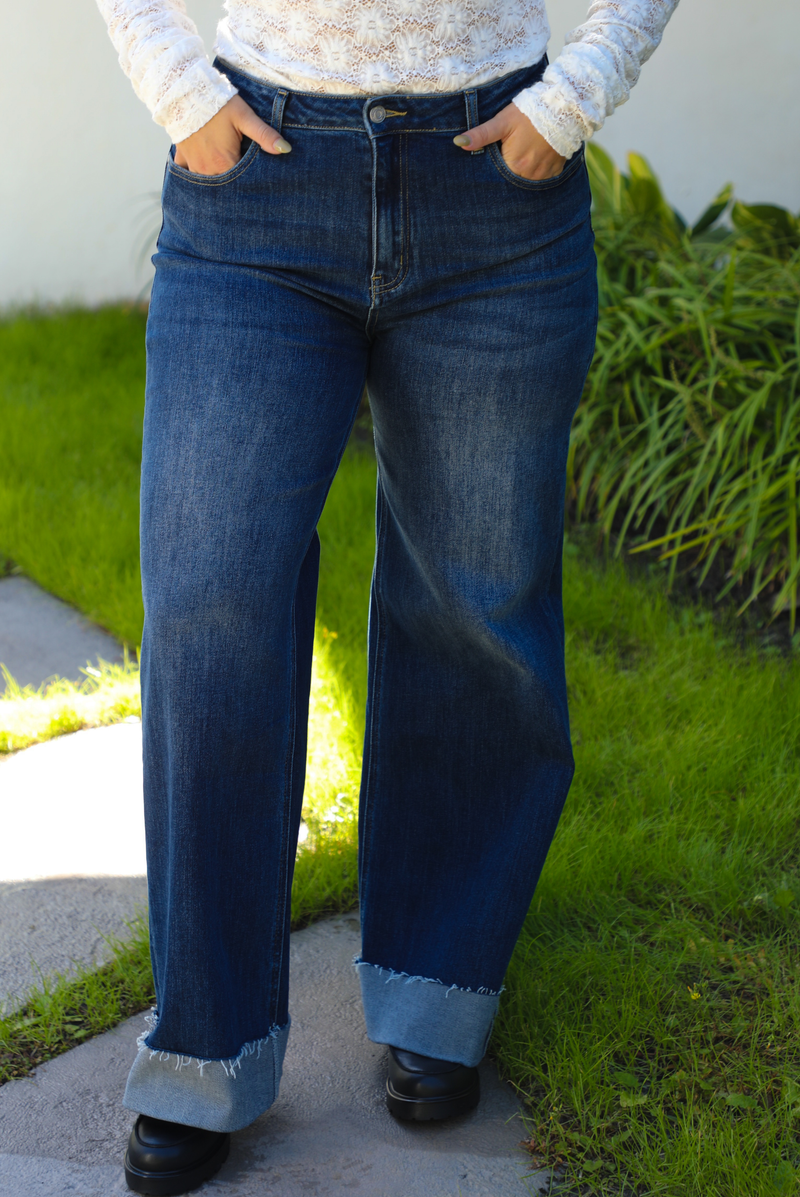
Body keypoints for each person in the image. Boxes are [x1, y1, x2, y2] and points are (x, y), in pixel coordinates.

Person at [96, 0, 679, 1191]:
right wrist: (174, 83)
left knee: (473, 610)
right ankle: (207, 1046)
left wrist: (574, 96)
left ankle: (439, 991)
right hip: (257, 180)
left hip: (496, 201)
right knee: (210, 604)